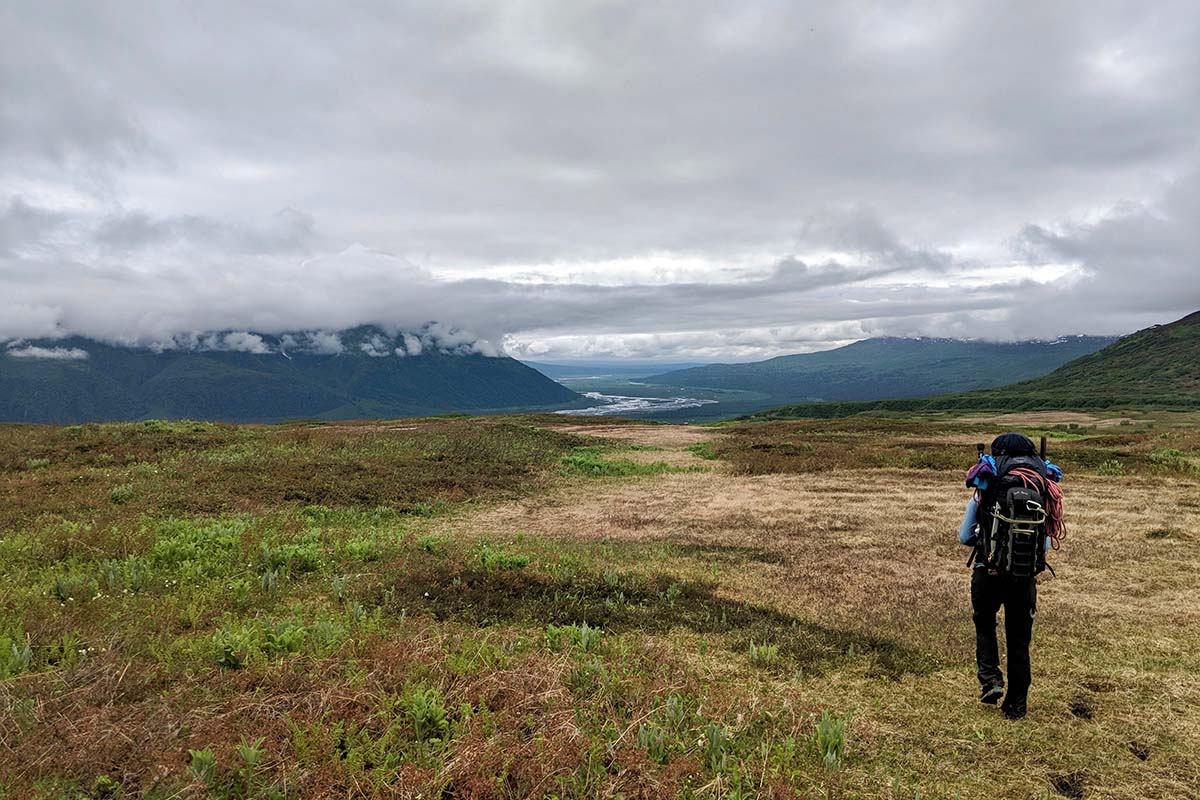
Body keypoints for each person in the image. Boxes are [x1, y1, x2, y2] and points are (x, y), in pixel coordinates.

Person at [957, 432, 1063, 720]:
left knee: (985, 624)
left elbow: (965, 536)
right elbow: (1045, 542)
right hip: (1024, 575)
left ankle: (990, 680)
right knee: (1019, 638)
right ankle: (1017, 704)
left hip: (987, 571)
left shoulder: (988, 486)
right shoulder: (1043, 488)